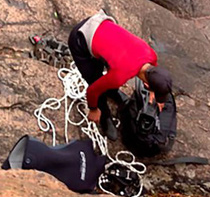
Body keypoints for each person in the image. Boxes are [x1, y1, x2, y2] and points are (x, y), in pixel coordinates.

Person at [68, 10, 173, 141]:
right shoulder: (120, 75)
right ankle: (105, 116)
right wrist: (93, 109)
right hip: (80, 38)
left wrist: (155, 93)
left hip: (102, 27)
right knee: (95, 79)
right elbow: (93, 90)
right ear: (146, 84)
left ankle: (113, 92)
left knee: (106, 72)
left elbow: (156, 71)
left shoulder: (151, 55)